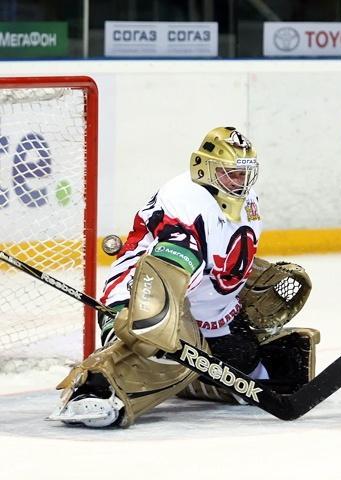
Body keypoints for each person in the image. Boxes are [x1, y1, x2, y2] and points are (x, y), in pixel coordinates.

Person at [49, 126, 317, 427]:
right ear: (203, 167)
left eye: (245, 173)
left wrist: (244, 277)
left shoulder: (247, 200)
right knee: (163, 347)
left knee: (241, 357)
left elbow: (224, 252)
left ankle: (188, 377)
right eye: (231, 173)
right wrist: (153, 315)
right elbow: (174, 262)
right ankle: (92, 390)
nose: (240, 182)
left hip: (200, 302)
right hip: (143, 292)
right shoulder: (184, 198)